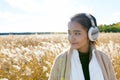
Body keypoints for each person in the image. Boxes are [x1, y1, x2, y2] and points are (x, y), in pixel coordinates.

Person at [48, 13, 116, 80]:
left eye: (77, 33)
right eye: (69, 33)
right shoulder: (61, 60)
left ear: (92, 34)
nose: (71, 38)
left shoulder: (104, 59)